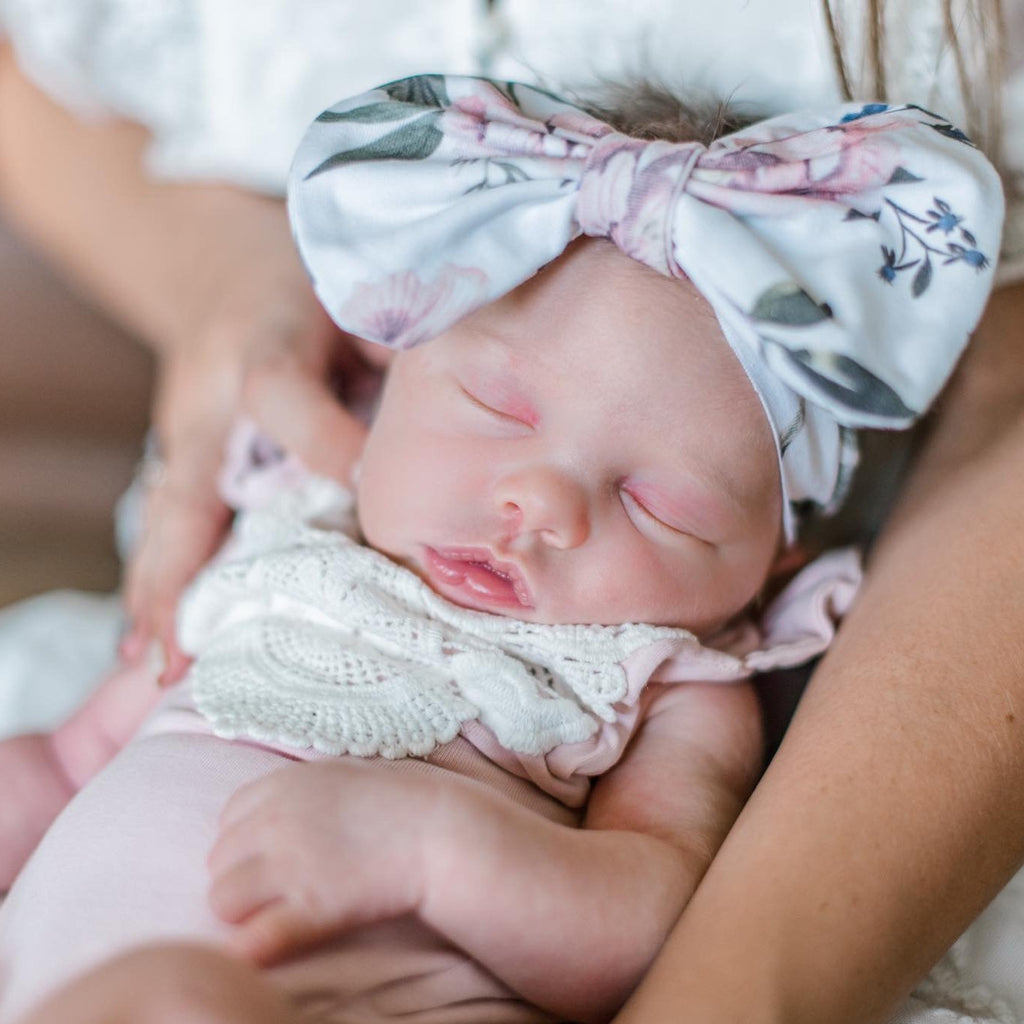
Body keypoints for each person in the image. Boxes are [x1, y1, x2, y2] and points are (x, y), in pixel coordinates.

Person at [0, 4, 1022, 1023]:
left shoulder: (657, 686)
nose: (540, 500)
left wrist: (435, 853)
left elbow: (644, 913)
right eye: (493, 408)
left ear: (772, 565)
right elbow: (72, 756)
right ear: (382, 378)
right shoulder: (280, 528)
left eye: (655, 502)